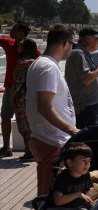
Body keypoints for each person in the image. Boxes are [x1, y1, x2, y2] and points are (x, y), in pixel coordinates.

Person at [26, 25, 79, 196]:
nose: (72, 48)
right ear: (65, 44)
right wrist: (72, 130)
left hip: (46, 139)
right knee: (53, 198)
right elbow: (44, 106)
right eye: (72, 44)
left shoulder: (41, 64)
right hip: (52, 141)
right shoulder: (49, 67)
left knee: (45, 196)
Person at [1, 21, 38, 157]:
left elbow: (42, 62)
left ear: (22, 33)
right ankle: (6, 147)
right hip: (10, 88)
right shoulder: (9, 44)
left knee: (24, 121)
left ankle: (29, 150)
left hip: (21, 91)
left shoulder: (30, 50)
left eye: (15, 29)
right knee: (5, 116)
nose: (11, 31)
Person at [64, 27, 98, 128]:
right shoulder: (78, 53)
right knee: (87, 140)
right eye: (97, 38)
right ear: (87, 38)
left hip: (87, 106)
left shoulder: (83, 53)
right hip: (84, 107)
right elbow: (87, 79)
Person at [10, 38, 40, 161]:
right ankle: (34, 151)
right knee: (33, 125)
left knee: (24, 126)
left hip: (23, 98)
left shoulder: (22, 63)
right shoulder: (38, 62)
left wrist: (12, 98)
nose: (18, 47)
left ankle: (30, 152)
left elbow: (17, 84)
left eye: (21, 45)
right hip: (36, 97)